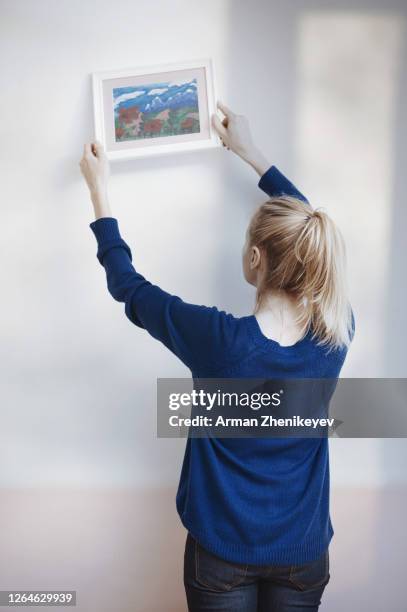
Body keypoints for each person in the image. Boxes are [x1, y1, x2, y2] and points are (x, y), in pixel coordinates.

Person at [79, 101, 354, 612]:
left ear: (254, 258)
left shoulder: (218, 341)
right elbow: (308, 235)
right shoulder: (335, 334)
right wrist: (253, 155)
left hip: (221, 559)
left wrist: (99, 191)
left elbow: (128, 287)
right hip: (304, 557)